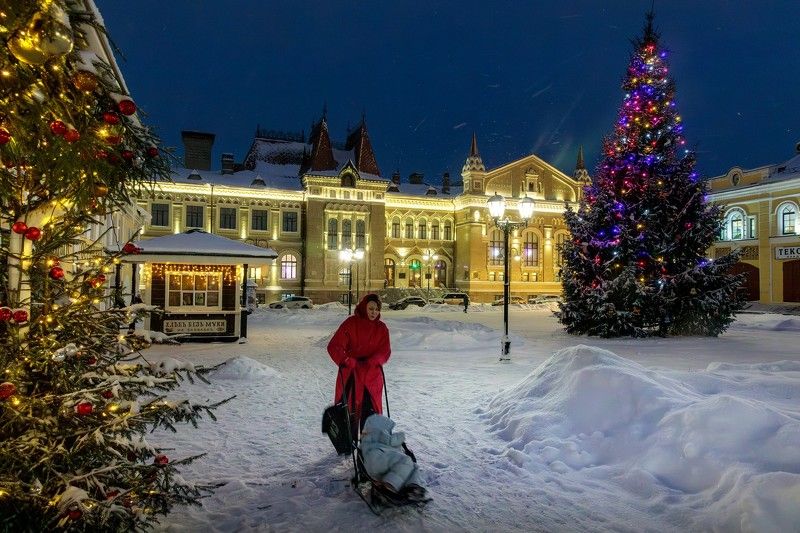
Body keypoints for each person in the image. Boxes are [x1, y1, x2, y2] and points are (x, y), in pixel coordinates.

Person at [327, 293, 391, 436]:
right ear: (364, 308)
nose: (374, 312)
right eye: (371, 309)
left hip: (372, 375)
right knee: (349, 410)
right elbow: (334, 346)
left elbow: (385, 350)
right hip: (352, 374)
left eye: (376, 309)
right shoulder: (351, 323)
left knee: (370, 412)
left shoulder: (382, 328)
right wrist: (345, 360)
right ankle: (347, 441)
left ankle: (368, 445)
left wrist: (375, 360)